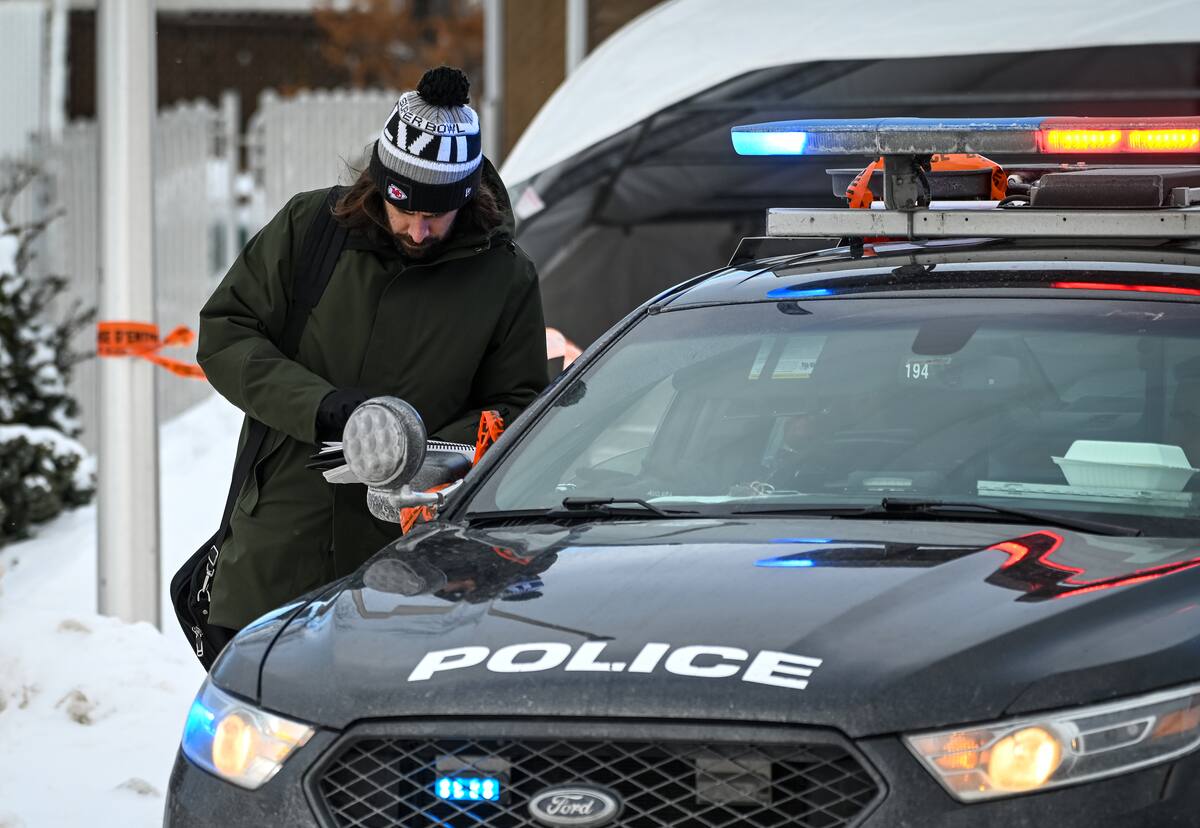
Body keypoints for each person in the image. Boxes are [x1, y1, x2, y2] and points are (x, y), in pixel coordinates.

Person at [196, 66, 548, 634]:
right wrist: (322, 407)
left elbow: (519, 404)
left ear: (467, 202)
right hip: (276, 551)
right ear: (379, 185)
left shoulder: (504, 276)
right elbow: (225, 333)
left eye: (435, 216)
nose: (417, 231)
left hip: (413, 566)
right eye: (404, 208)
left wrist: (421, 450)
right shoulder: (310, 228)